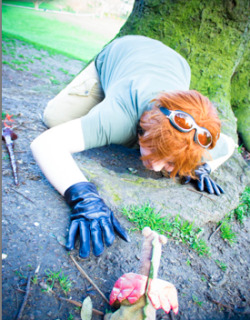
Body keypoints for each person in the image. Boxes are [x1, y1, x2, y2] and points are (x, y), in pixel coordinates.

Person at [30, 35, 235, 259]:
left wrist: (203, 168)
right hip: (122, 52)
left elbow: (230, 146)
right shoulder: (118, 117)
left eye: (168, 161)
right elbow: (45, 143)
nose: (156, 168)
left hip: (174, 64)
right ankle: (100, 92)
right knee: (55, 118)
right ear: (143, 129)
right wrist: (84, 198)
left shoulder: (197, 138)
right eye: (155, 152)